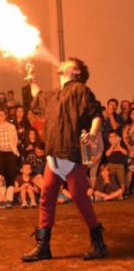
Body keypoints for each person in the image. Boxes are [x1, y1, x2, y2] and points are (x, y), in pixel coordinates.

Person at [22, 58, 107, 262]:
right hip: (53, 156)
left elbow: (96, 114)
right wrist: (32, 79)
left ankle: (98, 243)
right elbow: (38, 97)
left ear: (76, 71)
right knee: (46, 198)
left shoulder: (81, 90)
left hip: (71, 154)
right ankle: (43, 247)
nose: (60, 62)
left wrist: (93, 135)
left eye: (67, 62)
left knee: (80, 198)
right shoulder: (54, 94)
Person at [0, 109, 19, 187]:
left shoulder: (11, 126)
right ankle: (2, 192)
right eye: (0, 114)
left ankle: (11, 191)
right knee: (1, 173)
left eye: (3, 114)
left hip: (10, 152)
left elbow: (15, 139)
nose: (1, 116)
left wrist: (13, 148)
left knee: (11, 172)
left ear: (6, 116)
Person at [122, 109, 134, 197]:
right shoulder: (127, 126)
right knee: (130, 171)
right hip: (131, 151)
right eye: (133, 113)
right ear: (130, 115)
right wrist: (130, 149)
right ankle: (127, 191)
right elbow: (124, 138)